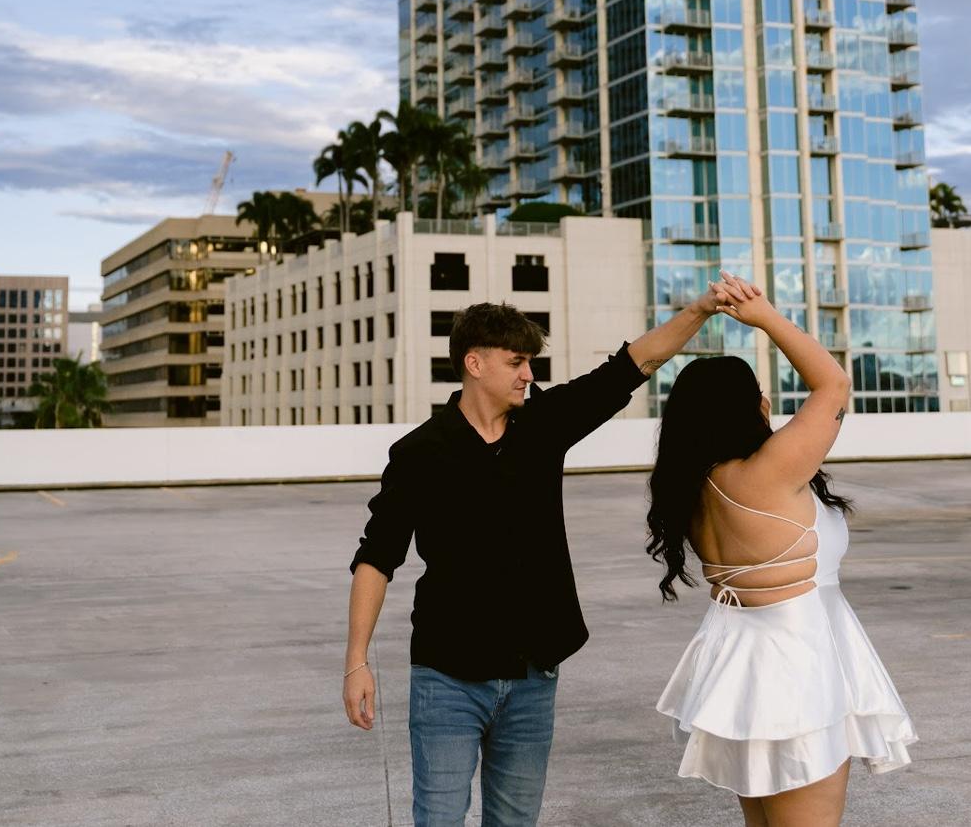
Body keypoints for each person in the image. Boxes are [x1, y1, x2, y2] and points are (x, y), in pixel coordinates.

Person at [343, 289, 727, 826]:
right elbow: (377, 557)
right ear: (474, 364)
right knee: (438, 818)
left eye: (530, 363)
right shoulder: (418, 454)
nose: (528, 374)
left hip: (532, 674)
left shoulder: (544, 424)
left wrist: (701, 310)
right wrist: (356, 660)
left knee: (515, 821)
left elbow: (630, 367)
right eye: (516, 362)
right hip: (447, 676)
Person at [649, 272, 916, 827]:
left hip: (743, 661)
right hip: (796, 667)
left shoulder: (694, 485)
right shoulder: (766, 473)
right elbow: (833, 385)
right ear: (754, 406)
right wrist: (765, 317)